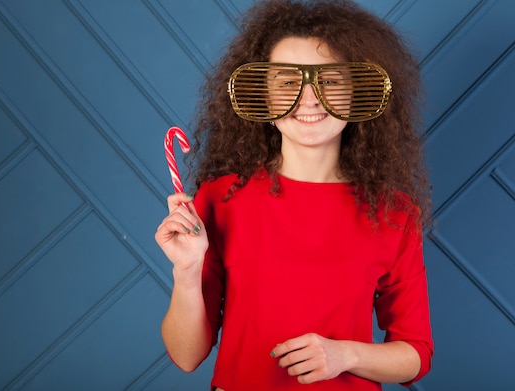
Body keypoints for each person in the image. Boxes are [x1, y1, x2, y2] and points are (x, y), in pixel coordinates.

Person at [155, 0, 433, 389]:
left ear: (356, 94)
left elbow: (416, 353)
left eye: (331, 80)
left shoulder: (394, 213)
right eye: (287, 82)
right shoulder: (220, 201)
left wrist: (345, 355)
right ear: (263, 99)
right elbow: (187, 357)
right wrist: (185, 274)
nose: (309, 97)